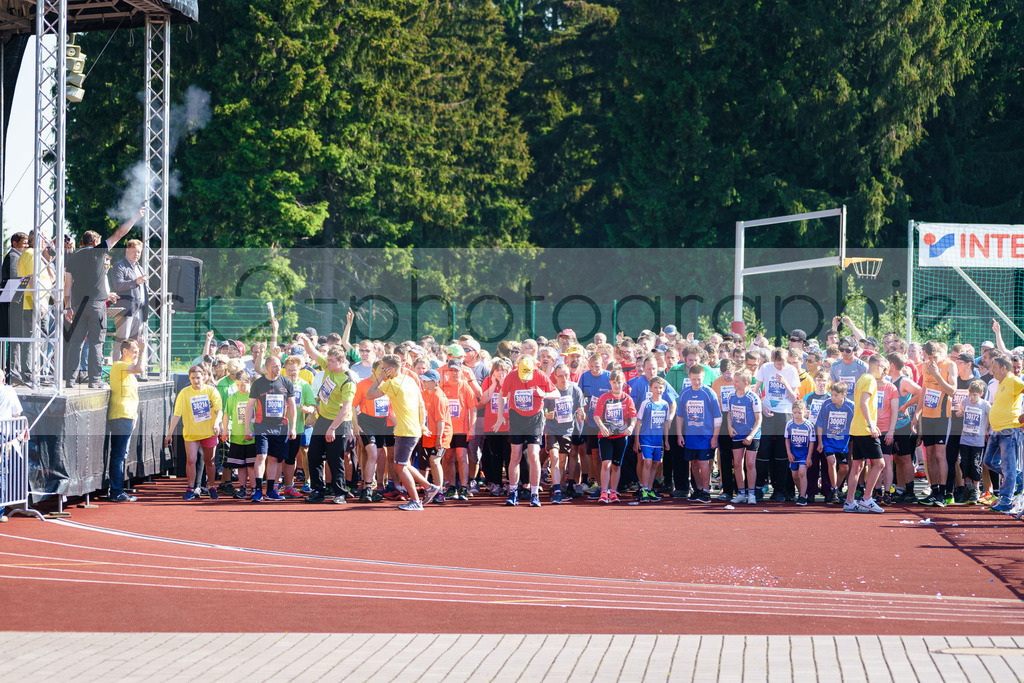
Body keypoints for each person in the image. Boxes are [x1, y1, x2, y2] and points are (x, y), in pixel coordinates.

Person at [63, 207, 145, 388]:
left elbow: (67, 285)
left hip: (77, 304)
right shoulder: (98, 251)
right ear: (95, 242)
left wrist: (67, 307)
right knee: (96, 342)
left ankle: (69, 381)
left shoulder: (72, 258)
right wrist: (135, 216)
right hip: (97, 304)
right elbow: (119, 234)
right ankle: (94, 381)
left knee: (76, 342)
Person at [365, 354, 441, 511]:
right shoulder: (410, 380)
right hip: (411, 429)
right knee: (404, 464)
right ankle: (429, 487)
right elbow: (421, 404)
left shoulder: (393, 384)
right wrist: (422, 425)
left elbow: (369, 394)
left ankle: (416, 500)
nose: (383, 371)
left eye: (385, 368)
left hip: (406, 431)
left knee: (400, 466)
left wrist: (380, 377)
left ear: (391, 369)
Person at [295, 334, 357, 503]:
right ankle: (318, 490)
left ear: (341, 361)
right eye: (327, 360)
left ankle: (340, 493)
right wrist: (306, 342)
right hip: (323, 419)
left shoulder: (348, 380)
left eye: (331, 361)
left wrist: (332, 428)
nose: (327, 363)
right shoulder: (329, 368)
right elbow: (314, 354)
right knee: (314, 455)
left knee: (335, 458)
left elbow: (345, 409)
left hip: (339, 423)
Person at [494, 355, 559, 507]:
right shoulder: (511, 376)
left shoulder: (540, 375)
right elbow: (502, 396)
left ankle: (534, 493)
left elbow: (556, 393)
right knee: (515, 455)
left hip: (535, 418)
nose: (524, 379)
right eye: (522, 376)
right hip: (516, 417)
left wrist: (545, 394)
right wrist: (499, 417)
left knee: (533, 454)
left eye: (527, 376)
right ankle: (512, 492)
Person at [165, 365, 223, 500]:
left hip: (208, 432)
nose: (196, 381)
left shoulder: (211, 391)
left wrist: (216, 423)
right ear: (189, 378)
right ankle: (190, 488)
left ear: (203, 377)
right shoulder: (184, 393)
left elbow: (219, 409)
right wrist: (170, 433)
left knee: (210, 461)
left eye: (198, 378)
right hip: (191, 433)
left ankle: (212, 487)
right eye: (193, 378)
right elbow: (177, 414)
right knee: (191, 460)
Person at [917, 340, 956, 507]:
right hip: (927, 415)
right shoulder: (926, 365)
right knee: (930, 455)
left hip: (942, 415)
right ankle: (934, 490)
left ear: (941, 351)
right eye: (929, 357)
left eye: (935, 357)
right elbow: (924, 391)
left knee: (940, 455)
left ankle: (942, 492)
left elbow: (952, 390)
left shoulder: (950, 365)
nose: (932, 360)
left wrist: (938, 374)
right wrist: (917, 414)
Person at [844, 354, 885, 513]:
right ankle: (867, 499)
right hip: (864, 430)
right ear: (879, 366)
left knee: (857, 466)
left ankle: (849, 501)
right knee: (879, 464)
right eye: (884, 369)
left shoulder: (862, 378)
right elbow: (863, 403)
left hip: (857, 429)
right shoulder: (870, 380)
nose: (884, 374)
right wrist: (871, 425)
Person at [983, 355, 1023, 513]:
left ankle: (1006, 500)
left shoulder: (1013, 380)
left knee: (1007, 467)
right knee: (988, 461)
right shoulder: (1000, 383)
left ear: (1004, 368)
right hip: (997, 430)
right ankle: (1019, 477)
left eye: (994, 367)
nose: (991, 370)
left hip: (1009, 430)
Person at [106, 339, 145, 502]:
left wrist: (134, 415)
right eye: (134, 351)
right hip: (121, 415)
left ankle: (116, 489)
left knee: (121, 454)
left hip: (127, 416)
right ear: (124, 351)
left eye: (137, 351)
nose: (136, 354)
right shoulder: (119, 365)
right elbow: (140, 369)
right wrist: (143, 350)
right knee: (118, 455)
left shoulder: (125, 369)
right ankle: (116, 491)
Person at [676, 365, 721, 503]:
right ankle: (698, 490)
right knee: (694, 463)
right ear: (689, 378)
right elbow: (679, 416)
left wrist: (714, 437)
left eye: (699, 379)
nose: (696, 382)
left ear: (703, 378)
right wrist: (679, 434)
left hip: (706, 436)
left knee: (703, 463)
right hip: (690, 436)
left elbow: (717, 417)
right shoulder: (684, 393)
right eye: (694, 379)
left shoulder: (709, 393)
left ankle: (706, 492)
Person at [593, 369, 637, 504]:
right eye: (614, 382)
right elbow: (596, 415)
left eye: (619, 382)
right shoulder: (604, 398)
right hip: (605, 436)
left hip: (621, 436)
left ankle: (613, 492)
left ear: (623, 383)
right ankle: (603, 492)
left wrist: (630, 427)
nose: (617, 385)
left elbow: (633, 416)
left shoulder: (627, 398)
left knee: (617, 465)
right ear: (610, 383)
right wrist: (602, 426)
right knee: (606, 463)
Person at [544, 363, 585, 504]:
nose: (564, 378)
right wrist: (547, 415)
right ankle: (556, 489)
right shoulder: (550, 390)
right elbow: (543, 410)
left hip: (567, 430)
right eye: (560, 376)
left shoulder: (575, 390)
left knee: (562, 461)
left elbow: (581, 411)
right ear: (555, 376)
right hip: (552, 429)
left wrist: (581, 415)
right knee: (554, 458)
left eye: (566, 375)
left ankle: (559, 487)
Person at [815, 382, 855, 505]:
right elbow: (820, 423)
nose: (832, 397)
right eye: (831, 394)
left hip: (842, 442)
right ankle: (836, 490)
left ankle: (834, 490)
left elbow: (854, 424)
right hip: (828, 440)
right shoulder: (826, 404)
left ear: (844, 395)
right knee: (831, 461)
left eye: (836, 395)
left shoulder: (850, 406)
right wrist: (820, 442)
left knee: (844, 468)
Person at [728, 369, 762, 505]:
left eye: (737, 381)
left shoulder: (753, 397)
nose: (734, 383)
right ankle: (741, 493)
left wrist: (751, 435)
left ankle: (752, 493)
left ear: (746, 383)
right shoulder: (731, 396)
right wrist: (729, 427)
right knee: (737, 464)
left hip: (752, 435)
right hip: (737, 434)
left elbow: (759, 419)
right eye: (734, 380)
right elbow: (729, 414)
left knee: (750, 463)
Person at [111, 239, 147, 363]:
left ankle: (130, 369)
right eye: (134, 251)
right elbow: (118, 285)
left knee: (134, 343)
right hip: (125, 310)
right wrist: (135, 282)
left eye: (139, 252)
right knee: (122, 341)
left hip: (139, 310)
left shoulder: (140, 268)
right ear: (127, 250)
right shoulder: (119, 265)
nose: (136, 254)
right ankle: (117, 368)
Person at [419, 369, 452, 501]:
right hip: (429, 433)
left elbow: (441, 421)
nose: (424, 382)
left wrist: (439, 438)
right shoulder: (424, 393)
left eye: (427, 380)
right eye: (423, 380)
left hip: (441, 433)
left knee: (435, 460)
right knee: (431, 462)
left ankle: (439, 491)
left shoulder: (439, 396)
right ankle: (434, 489)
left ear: (434, 382)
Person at [222, 370, 256, 499]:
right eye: (237, 385)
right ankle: (242, 488)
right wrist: (225, 431)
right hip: (237, 436)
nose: (240, 388)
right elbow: (227, 414)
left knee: (251, 465)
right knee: (240, 465)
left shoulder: (254, 396)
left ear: (248, 382)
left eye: (242, 385)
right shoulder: (233, 397)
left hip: (252, 437)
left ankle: (254, 488)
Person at [956, 379, 989, 505]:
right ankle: (968, 487)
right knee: (964, 463)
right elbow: (961, 409)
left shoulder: (984, 404)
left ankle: (976, 489)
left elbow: (991, 415)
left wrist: (986, 429)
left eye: (975, 395)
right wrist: (960, 412)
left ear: (981, 394)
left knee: (975, 464)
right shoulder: (965, 401)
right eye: (970, 394)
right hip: (965, 439)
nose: (972, 397)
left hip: (977, 440)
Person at [2, 232, 27, 382]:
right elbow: (14, 277)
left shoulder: (17, 257)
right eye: (23, 243)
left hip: (14, 303)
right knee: (13, 337)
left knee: (16, 337)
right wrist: (27, 278)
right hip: (11, 303)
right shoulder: (13, 257)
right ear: (14, 243)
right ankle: (11, 371)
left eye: (26, 243)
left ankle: (13, 370)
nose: (26, 246)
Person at [784, 400, 814, 506]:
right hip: (793, 454)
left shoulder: (808, 425)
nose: (797, 415)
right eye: (795, 412)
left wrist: (809, 457)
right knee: (795, 476)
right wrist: (788, 453)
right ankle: (802, 492)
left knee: (802, 472)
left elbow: (811, 442)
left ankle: (802, 497)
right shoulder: (789, 424)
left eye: (800, 413)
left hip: (804, 455)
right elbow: (787, 439)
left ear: (804, 412)